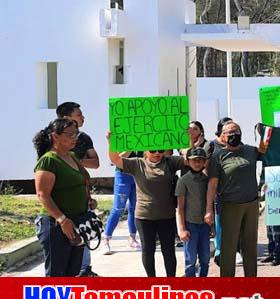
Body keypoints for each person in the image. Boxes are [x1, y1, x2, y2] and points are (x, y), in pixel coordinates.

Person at [105, 132, 183, 277]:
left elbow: (188, 159)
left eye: (160, 150)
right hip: (144, 217)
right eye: (153, 150)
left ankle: (172, 282)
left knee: (169, 251)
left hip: (167, 216)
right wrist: (111, 141)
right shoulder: (137, 163)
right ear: (145, 150)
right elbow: (115, 159)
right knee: (148, 250)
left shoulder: (170, 162)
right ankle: (151, 281)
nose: (157, 153)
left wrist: (186, 139)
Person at [205, 121, 265, 277]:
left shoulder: (250, 151)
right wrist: (208, 209)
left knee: (250, 246)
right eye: (230, 133)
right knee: (228, 247)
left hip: (251, 204)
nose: (234, 135)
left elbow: (268, 151)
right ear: (223, 137)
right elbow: (212, 184)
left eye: (237, 131)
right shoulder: (218, 155)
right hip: (229, 206)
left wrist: (265, 132)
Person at [33, 118, 92, 277]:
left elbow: (83, 179)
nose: (75, 138)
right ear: (55, 136)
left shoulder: (72, 156)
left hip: (77, 222)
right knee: (56, 274)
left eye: (76, 134)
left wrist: (89, 198)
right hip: (56, 225)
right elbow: (42, 194)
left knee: (72, 272)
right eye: (70, 134)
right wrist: (62, 220)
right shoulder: (48, 160)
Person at [56, 102, 100, 277]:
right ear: (66, 117)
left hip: (81, 195)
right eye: (79, 114)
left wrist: (72, 161)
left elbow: (95, 163)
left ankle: (84, 270)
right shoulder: (49, 138)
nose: (83, 117)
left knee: (83, 233)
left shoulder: (84, 138)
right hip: (60, 201)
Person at [175, 147, 211, 277]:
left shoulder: (207, 180)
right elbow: (180, 207)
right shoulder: (183, 180)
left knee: (205, 259)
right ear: (188, 162)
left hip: (205, 225)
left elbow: (211, 204)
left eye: (200, 160)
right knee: (190, 260)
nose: (197, 163)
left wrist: (212, 226)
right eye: (194, 160)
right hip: (190, 225)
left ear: (204, 162)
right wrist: (182, 229)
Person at [207, 117, 232, 266]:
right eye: (228, 130)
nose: (231, 134)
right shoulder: (211, 145)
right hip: (218, 191)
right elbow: (204, 165)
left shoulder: (237, 144)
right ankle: (219, 251)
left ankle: (234, 250)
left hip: (234, 191)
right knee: (219, 223)